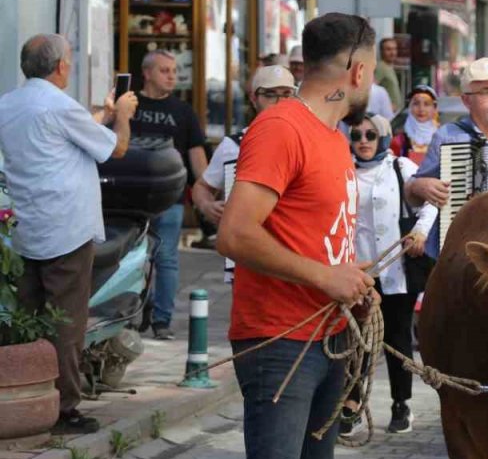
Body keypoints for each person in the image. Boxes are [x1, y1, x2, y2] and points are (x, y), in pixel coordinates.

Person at [189, 13, 396, 459]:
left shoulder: (334, 141)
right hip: (278, 338)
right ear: (358, 72)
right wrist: (323, 276)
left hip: (325, 335)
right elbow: (234, 232)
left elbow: (308, 237)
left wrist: (345, 273)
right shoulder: (282, 127)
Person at [0, 34, 136, 434]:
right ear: (59, 66)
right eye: (70, 60)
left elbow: (62, 137)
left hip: (24, 225)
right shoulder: (59, 105)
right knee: (66, 321)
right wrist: (123, 115)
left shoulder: (9, 103)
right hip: (65, 226)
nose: (70, 66)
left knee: (28, 314)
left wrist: (105, 116)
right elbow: (118, 150)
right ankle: (64, 408)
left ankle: (29, 393)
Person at [339, 113, 434, 435]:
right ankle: (351, 403)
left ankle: (401, 403)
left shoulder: (401, 167)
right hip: (358, 269)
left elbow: (430, 202)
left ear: (382, 137)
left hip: (396, 269)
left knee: (396, 336)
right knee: (356, 338)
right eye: (356, 135)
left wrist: (420, 232)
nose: (363, 141)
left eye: (370, 135)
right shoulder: (344, 171)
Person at [407, 58, 488, 259]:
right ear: (466, 100)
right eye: (486, 92)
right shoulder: (447, 136)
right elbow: (413, 194)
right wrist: (419, 186)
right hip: (460, 250)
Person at [129, 49, 208, 341]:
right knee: (132, 257)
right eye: (164, 70)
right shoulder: (130, 105)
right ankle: (130, 313)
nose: (172, 76)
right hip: (131, 198)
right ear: (147, 73)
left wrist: (208, 190)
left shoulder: (183, 112)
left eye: (174, 71)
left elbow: (196, 155)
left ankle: (162, 320)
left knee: (167, 259)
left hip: (171, 198)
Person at [191, 65, 297, 276]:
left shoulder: (307, 140)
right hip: (247, 257)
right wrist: (206, 205)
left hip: (295, 254)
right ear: (253, 98)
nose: (279, 102)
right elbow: (202, 187)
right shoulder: (233, 145)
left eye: (286, 94)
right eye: (270, 94)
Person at [391, 84, 439, 164]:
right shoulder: (398, 141)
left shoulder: (442, 139)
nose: (421, 109)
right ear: (410, 107)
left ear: (435, 108)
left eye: (426, 104)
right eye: (416, 103)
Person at [374, 37, 403, 113]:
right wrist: (386, 107)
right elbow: (372, 89)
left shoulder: (389, 67)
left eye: (394, 49)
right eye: (388, 49)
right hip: (387, 114)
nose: (392, 52)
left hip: (394, 114)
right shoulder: (381, 67)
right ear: (381, 51)